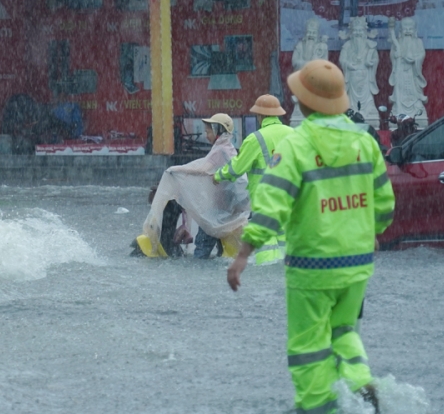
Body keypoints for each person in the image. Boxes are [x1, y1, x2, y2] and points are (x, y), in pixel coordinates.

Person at [227, 60, 394, 414]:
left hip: (312, 267)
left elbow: (271, 204)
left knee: (308, 344)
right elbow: (384, 202)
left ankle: (317, 406)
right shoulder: (365, 142)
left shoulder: (297, 145)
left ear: (303, 103)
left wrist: (244, 253)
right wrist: (374, 232)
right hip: (357, 264)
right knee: (345, 330)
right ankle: (360, 379)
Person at [134, 113, 250, 259]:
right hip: (229, 208)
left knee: (202, 244)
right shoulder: (229, 149)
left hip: (219, 211)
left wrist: (177, 170)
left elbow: (202, 169)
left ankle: (199, 269)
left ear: (218, 130)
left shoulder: (220, 150)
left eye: (208, 131)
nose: (206, 135)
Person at [214, 94, 293, 265]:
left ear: (260, 115)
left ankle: (266, 276)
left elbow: (236, 168)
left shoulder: (255, 139)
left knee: (266, 249)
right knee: (286, 244)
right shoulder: (294, 134)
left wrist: (218, 175)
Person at [338, 16, 380, 125]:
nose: (357, 33)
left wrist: (371, 63)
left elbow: (375, 59)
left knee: (367, 96)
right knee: (351, 99)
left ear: (365, 32)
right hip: (352, 75)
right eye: (355, 31)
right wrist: (348, 64)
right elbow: (342, 59)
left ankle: (369, 110)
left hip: (365, 75)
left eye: (360, 30)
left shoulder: (370, 46)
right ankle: (352, 111)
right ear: (351, 33)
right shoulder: (347, 46)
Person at [388, 16, 428, 124]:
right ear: (401, 30)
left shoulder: (418, 42)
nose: (408, 31)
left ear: (414, 30)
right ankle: (399, 110)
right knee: (400, 91)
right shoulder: (397, 42)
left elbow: (422, 54)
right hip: (400, 72)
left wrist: (415, 60)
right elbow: (392, 54)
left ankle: (416, 109)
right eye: (405, 28)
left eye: (410, 28)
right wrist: (395, 56)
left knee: (414, 91)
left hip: (413, 73)